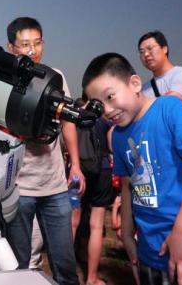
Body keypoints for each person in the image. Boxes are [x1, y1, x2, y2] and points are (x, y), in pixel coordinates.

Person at [83, 53, 182, 285]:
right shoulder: (120, 136)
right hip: (151, 254)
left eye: (110, 97)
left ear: (134, 84)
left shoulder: (170, 109)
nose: (108, 110)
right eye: (99, 105)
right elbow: (127, 186)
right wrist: (127, 234)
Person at [0, 16, 83, 285]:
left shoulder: (55, 77)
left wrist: (75, 164)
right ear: (11, 47)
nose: (32, 50)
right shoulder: (0, 81)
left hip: (54, 186)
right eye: (24, 44)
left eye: (37, 43)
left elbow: (67, 121)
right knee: (19, 265)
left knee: (65, 263)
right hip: (18, 188)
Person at [71, 106, 114, 285]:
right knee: (96, 226)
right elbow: (112, 145)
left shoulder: (74, 115)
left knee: (72, 223)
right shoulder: (106, 118)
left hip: (77, 171)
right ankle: (91, 279)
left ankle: (66, 273)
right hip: (101, 170)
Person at [137, 30, 182, 111]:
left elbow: (170, 103)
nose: (146, 54)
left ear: (164, 49)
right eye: (142, 52)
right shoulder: (143, 89)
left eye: (150, 48)